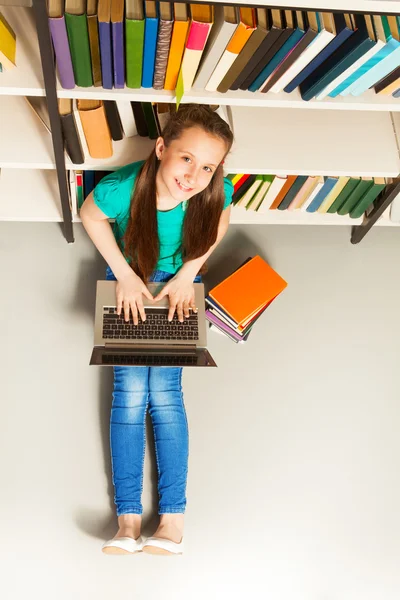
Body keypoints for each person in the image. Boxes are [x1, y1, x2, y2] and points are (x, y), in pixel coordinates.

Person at [80, 104, 234, 556]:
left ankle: (172, 521)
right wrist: (124, 276)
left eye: (208, 166)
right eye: (186, 158)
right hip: (129, 281)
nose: (194, 175)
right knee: (129, 392)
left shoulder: (212, 192)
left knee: (166, 394)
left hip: (178, 288)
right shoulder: (125, 188)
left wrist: (188, 275)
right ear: (162, 148)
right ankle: (127, 520)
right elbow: (91, 216)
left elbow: (220, 221)